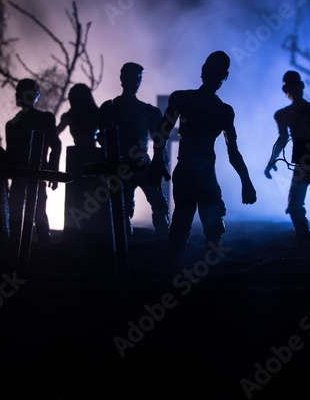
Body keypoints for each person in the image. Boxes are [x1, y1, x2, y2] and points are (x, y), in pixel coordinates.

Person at [151, 51, 256, 253]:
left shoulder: (219, 109)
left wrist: (247, 182)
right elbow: (162, 132)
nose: (217, 76)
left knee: (203, 227)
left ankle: (189, 265)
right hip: (197, 172)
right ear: (206, 72)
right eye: (214, 70)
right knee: (189, 225)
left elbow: (233, 152)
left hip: (198, 172)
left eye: (220, 72)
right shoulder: (195, 102)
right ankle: (186, 264)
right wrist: (157, 159)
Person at [264, 71, 310, 244]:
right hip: (307, 165)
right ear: (286, 90)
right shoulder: (285, 114)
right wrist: (271, 161)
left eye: (295, 86)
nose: (293, 90)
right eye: (290, 87)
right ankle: (309, 241)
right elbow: (283, 139)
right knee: (299, 206)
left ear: (301, 86)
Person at [98, 63, 170, 236]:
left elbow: (157, 138)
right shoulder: (110, 108)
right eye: (131, 77)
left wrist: (162, 157)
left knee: (159, 203)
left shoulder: (148, 110)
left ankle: (163, 241)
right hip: (120, 164)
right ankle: (125, 244)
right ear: (122, 79)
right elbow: (102, 137)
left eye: (138, 78)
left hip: (142, 163)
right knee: (124, 208)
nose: (135, 82)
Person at [5, 79, 61, 244]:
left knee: (38, 213)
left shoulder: (44, 119)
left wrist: (52, 170)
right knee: (18, 213)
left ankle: (44, 247)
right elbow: (10, 153)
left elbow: (55, 145)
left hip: (36, 176)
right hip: (20, 176)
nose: (18, 95)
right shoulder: (12, 125)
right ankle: (19, 247)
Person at [56, 84, 99, 148]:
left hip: (92, 152)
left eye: (80, 98)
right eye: (75, 98)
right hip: (77, 152)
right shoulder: (69, 116)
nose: (78, 101)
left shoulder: (97, 114)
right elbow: (54, 134)